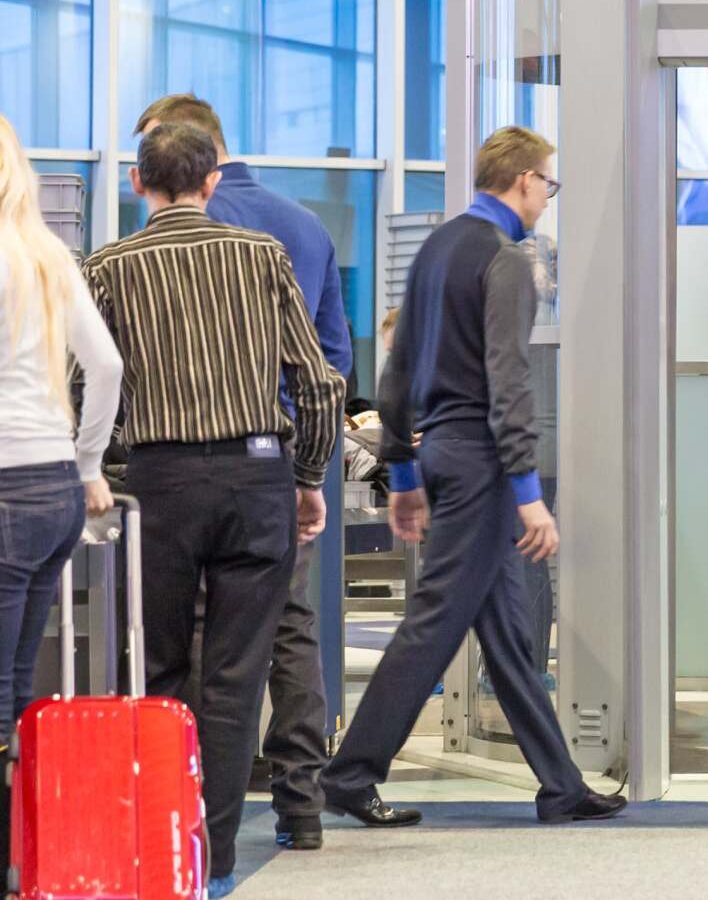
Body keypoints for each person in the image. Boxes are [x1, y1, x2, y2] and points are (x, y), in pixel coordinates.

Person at [319, 126, 624, 826]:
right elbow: (508, 380)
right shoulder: (506, 259)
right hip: (484, 464)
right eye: (549, 183)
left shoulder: (438, 248)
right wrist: (527, 495)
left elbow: (397, 366)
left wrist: (401, 469)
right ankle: (351, 773)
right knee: (432, 624)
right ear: (522, 181)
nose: (549, 196)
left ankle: (560, 784)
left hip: (441, 455)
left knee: (509, 635)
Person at [80, 121, 345, 898]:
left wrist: (99, 459)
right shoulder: (263, 257)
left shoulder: (107, 267)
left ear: (138, 182)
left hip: (157, 486)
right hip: (257, 478)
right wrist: (306, 477)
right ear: (212, 181)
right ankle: (215, 858)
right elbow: (320, 381)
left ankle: (162, 847)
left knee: (160, 668)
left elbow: (84, 383)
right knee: (236, 677)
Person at [0, 113, 123, 870]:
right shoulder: (47, 254)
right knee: (16, 687)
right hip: (52, 489)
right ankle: (23, 858)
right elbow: (104, 366)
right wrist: (86, 463)